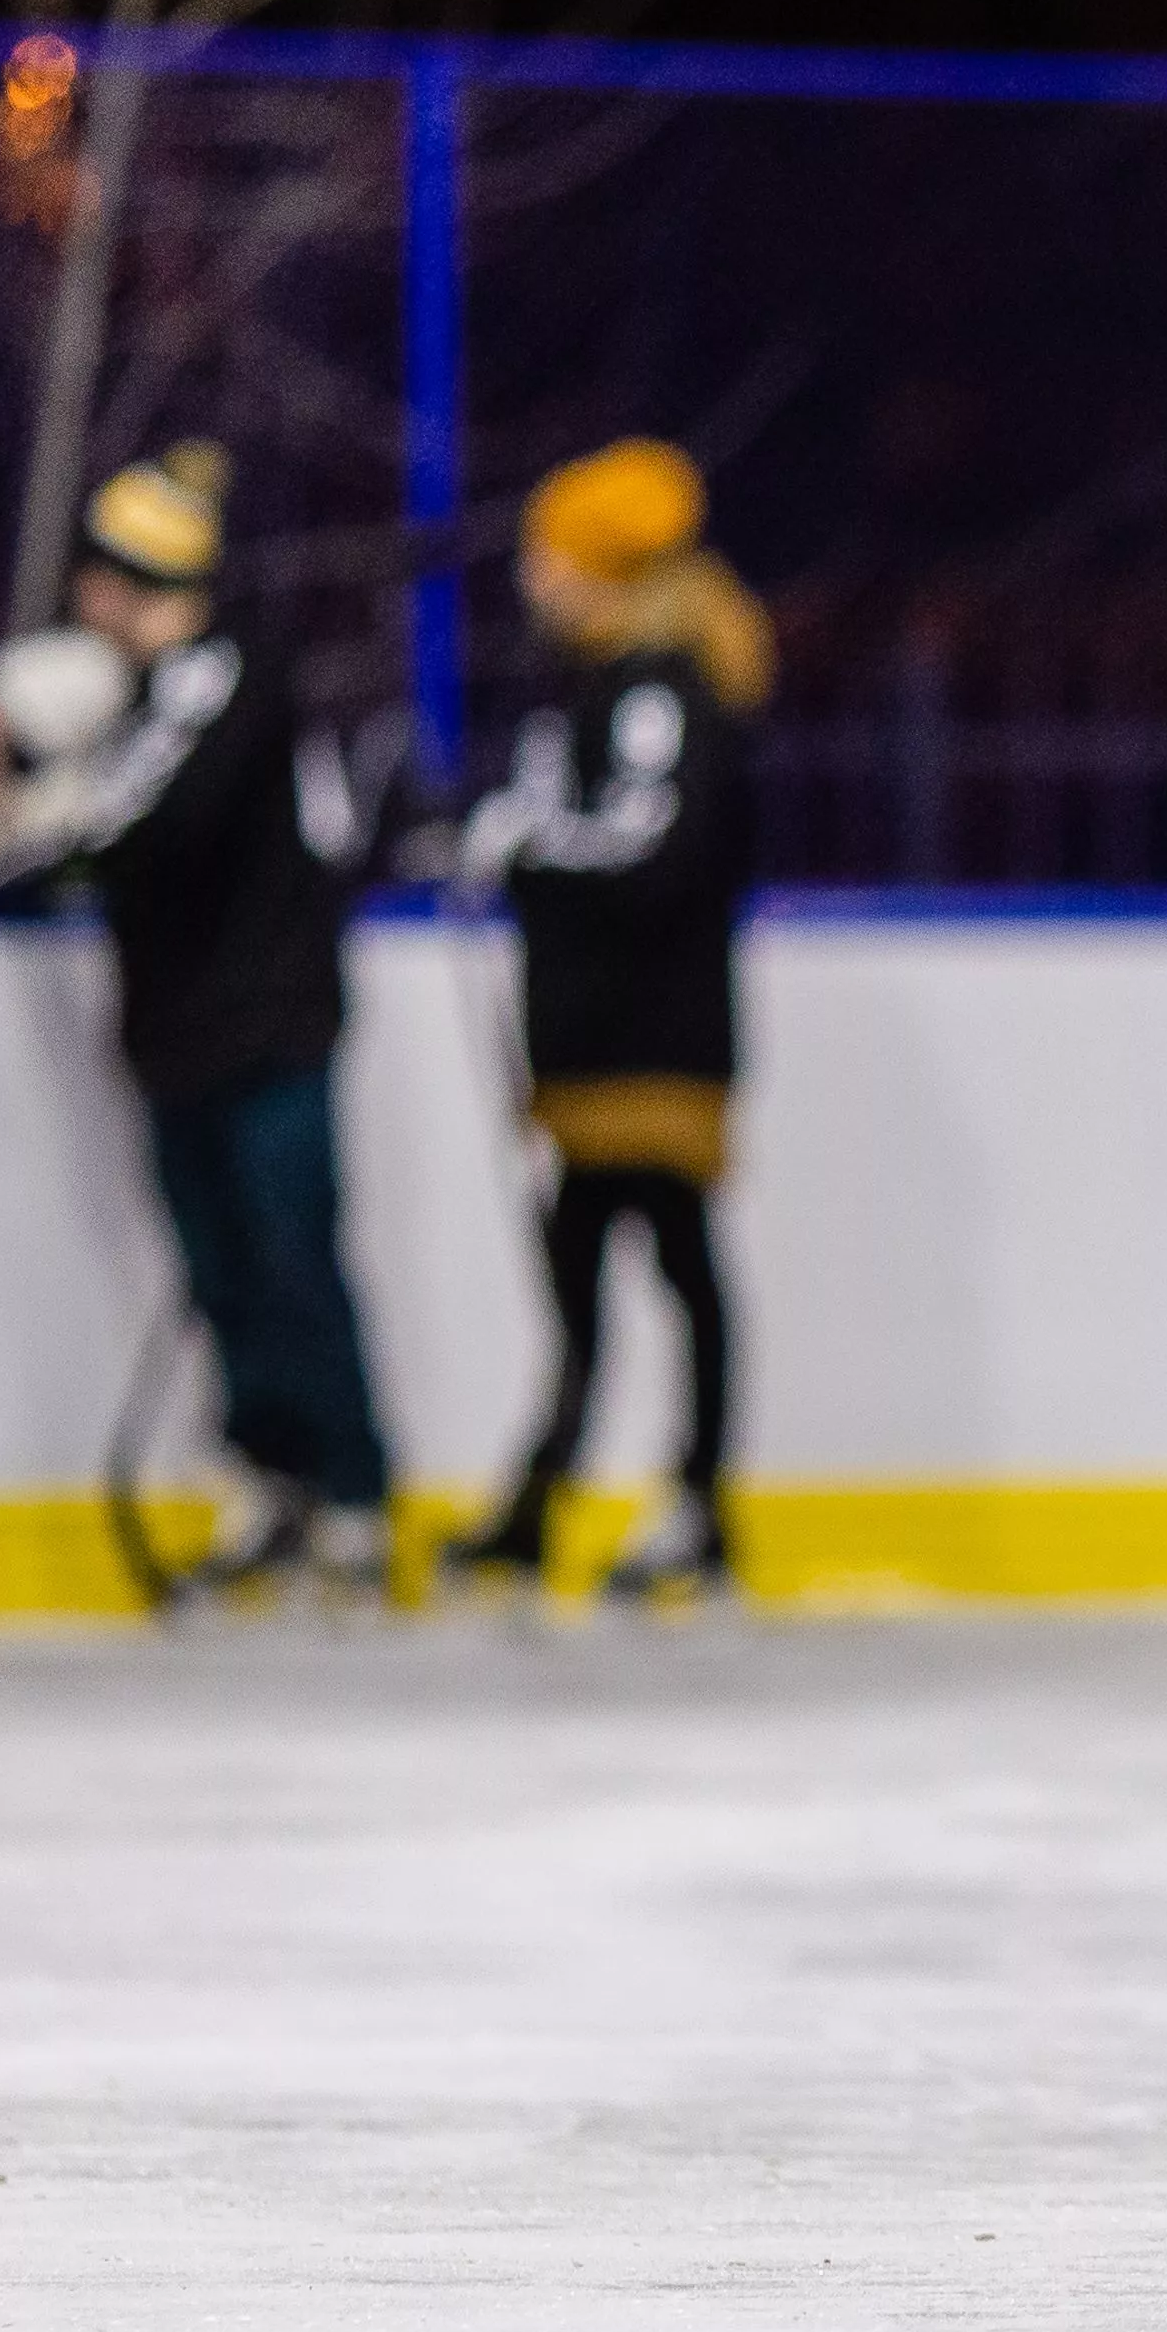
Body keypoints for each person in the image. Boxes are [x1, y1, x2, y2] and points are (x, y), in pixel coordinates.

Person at [0, 445, 397, 1604]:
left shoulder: (221, 675)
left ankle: (352, 1497)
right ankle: (274, 1482)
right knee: (223, 1271)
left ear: (124, 580)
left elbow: (152, 819)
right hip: (182, 1032)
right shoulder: (151, 696)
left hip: (264, 1028)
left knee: (290, 1259)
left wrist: (39, 860)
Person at [443, 439, 770, 1603]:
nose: (530, 578)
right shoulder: (606, 686)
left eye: (548, 556)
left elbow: (649, 854)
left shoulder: (659, 692)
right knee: (584, 1267)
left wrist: (522, 853)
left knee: (672, 1259)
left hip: (651, 1033)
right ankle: (556, 1494)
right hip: (595, 1033)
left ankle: (693, 1503)